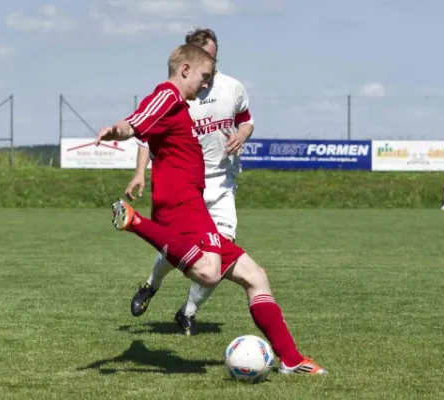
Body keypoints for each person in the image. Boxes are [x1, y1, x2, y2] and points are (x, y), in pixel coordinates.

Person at [95, 43, 327, 375]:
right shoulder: (167, 95)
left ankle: (291, 359)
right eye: (204, 77)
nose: (206, 85)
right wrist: (114, 131)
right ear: (185, 70)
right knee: (209, 272)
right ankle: (135, 222)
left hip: (195, 208)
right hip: (180, 208)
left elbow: (145, 127)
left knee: (256, 277)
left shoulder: (178, 106)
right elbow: (134, 124)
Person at [125, 28, 254, 336]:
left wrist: (241, 136)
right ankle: (151, 285)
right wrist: (139, 172)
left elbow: (246, 120)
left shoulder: (232, 87)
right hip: (184, 186)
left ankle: (188, 312)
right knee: (180, 248)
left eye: (211, 56)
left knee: (221, 251)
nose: (207, 65)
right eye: (201, 57)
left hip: (221, 184)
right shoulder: (179, 93)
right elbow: (147, 135)